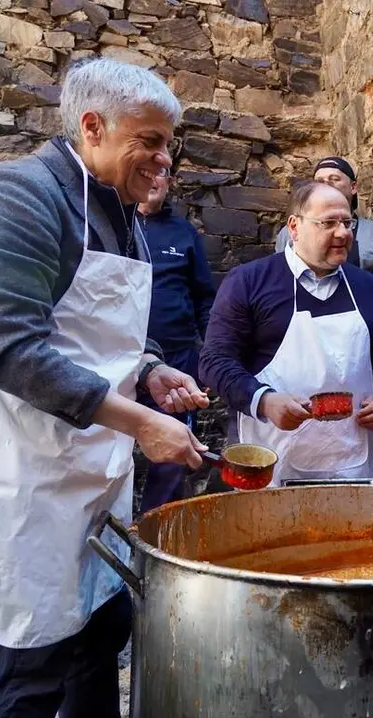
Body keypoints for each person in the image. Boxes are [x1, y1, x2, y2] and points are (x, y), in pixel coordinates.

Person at [0, 59, 209, 718]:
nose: (164, 159)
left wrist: (150, 369)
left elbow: (96, 333)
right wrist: (141, 423)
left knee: (98, 634)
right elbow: (10, 349)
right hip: (20, 468)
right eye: (149, 140)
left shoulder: (115, 209)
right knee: (31, 655)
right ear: (92, 126)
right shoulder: (14, 196)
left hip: (92, 462)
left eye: (169, 143)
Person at [200, 182, 373, 485]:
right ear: (294, 227)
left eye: (347, 223)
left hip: (354, 467)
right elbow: (214, 362)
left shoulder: (367, 287)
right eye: (329, 223)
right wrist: (265, 401)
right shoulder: (249, 282)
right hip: (272, 465)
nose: (342, 233)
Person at [137, 169, 216, 512]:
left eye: (162, 174)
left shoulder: (183, 233)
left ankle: (157, 529)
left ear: (169, 183)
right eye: (146, 172)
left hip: (177, 359)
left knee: (173, 456)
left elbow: (204, 298)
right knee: (108, 449)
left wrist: (212, 354)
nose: (154, 180)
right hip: (120, 357)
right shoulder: (112, 227)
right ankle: (111, 530)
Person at [275, 156, 373, 326]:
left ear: (353, 187)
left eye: (334, 179)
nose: (326, 184)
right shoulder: (288, 234)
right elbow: (280, 280)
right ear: (294, 227)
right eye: (319, 181)